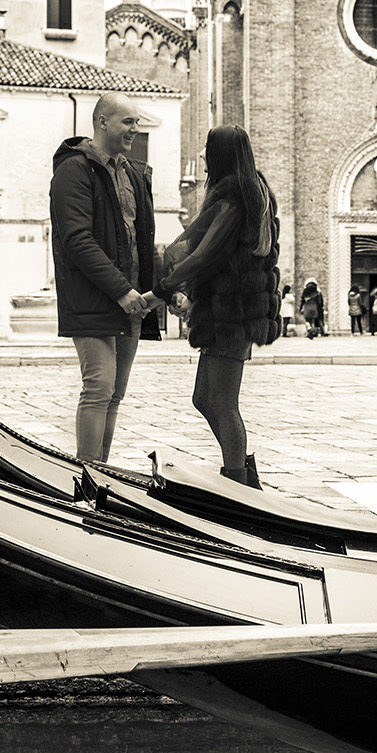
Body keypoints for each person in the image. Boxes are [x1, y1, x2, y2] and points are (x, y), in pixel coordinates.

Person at [153, 124, 280, 488]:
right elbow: (196, 242)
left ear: (220, 154)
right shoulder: (247, 193)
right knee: (204, 398)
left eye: (207, 149)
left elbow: (205, 253)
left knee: (222, 403)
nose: (203, 157)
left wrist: (166, 285)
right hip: (228, 312)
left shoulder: (236, 198)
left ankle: (238, 480)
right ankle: (241, 471)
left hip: (231, 314)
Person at [50, 92, 160, 463]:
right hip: (94, 297)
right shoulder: (73, 171)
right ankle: (87, 475)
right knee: (98, 387)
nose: (135, 128)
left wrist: (163, 290)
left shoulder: (132, 173)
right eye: (128, 121)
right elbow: (77, 240)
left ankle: (103, 474)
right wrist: (121, 289)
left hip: (131, 301)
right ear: (102, 122)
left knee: (114, 393)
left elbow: (142, 240)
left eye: (137, 121)